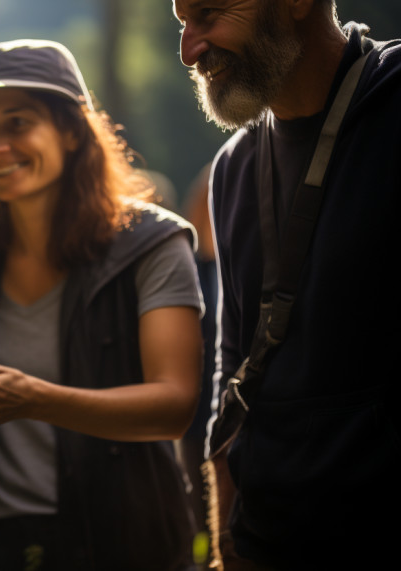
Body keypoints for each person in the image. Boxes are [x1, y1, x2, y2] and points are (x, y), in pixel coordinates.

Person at [0, 39, 204, 570]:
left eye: (17, 122)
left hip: (125, 543)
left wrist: (36, 399)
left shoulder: (152, 244)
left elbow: (174, 407)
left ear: (73, 132)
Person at [173, 0, 401, 568]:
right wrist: (227, 540)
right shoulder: (232, 167)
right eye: (182, 25)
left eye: (208, 13)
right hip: (265, 544)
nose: (189, 50)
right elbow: (233, 366)